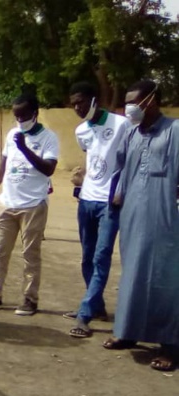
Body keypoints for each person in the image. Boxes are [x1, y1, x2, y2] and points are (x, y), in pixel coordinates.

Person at [104, 79, 179, 372]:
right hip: (133, 214)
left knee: (164, 280)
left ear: (152, 101)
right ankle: (128, 332)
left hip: (165, 217)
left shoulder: (174, 130)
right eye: (127, 103)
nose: (129, 108)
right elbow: (122, 170)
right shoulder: (132, 133)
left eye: (134, 102)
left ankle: (171, 346)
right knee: (133, 274)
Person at [0, 93, 59, 316]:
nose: (19, 120)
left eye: (23, 115)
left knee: (30, 255)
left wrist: (26, 148)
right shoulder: (12, 134)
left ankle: (29, 299)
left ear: (35, 114)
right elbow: (3, 167)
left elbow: (49, 169)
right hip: (7, 203)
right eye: (16, 116)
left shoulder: (49, 137)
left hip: (33, 205)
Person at [65, 82, 130, 338]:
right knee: (87, 257)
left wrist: (121, 190)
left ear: (94, 99)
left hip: (109, 203)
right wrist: (80, 183)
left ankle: (84, 315)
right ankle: (98, 306)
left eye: (81, 102)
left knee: (102, 257)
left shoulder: (121, 124)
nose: (77, 107)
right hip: (87, 200)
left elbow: (128, 160)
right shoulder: (81, 130)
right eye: (73, 104)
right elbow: (91, 158)